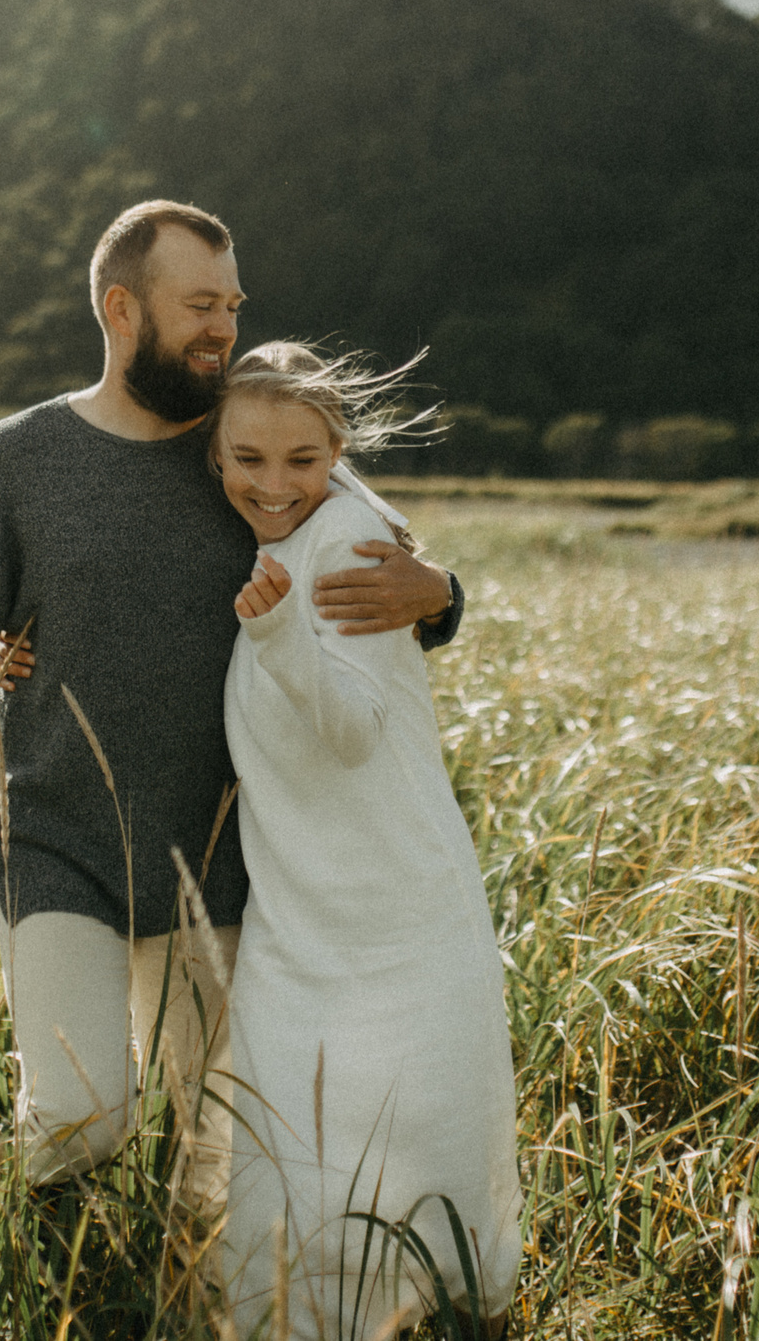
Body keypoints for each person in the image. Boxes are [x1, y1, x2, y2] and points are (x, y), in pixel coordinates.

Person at [0, 201, 464, 1210]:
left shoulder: (252, 449)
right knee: (79, 1121)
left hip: (220, 862)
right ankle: (17, 1268)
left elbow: (377, 563)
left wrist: (440, 594)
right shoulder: (16, 464)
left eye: (233, 304)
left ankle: (160, 1287)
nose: (224, 328)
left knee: (214, 1166)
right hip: (58, 846)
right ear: (122, 308)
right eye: (199, 305)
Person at [210, 342, 521, 1339]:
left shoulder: (346, 539)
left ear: (336, 453)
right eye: (248, 458)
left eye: (301, 459)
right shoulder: (291, 535)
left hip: (387, 898)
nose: (273, 482)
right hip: (305, 901)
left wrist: (276, 641)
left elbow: (350, 730)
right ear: (215, 452)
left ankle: (428, 1309)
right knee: (307, 1127)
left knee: (413, 1120)